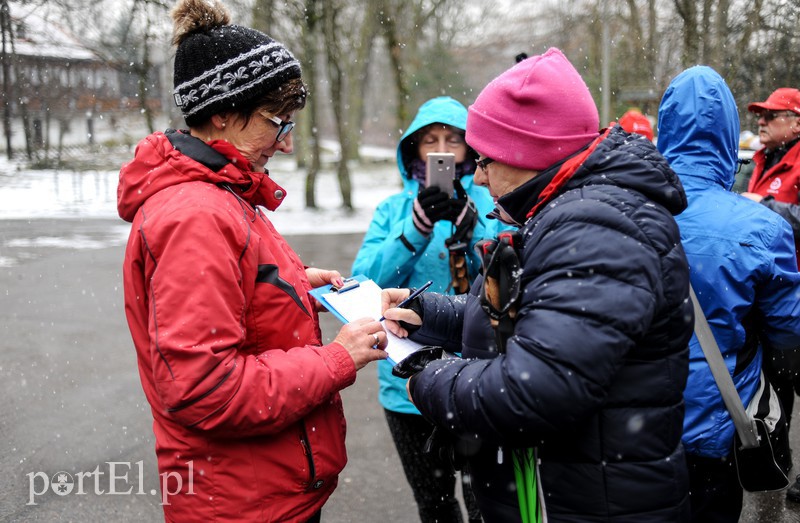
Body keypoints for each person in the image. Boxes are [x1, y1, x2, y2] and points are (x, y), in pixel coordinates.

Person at [381, 48, 693, 522]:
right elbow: (531, 315)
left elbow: (536, 389)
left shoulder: (595, 228)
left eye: (487, 159)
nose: (479, 176)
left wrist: (430, 379)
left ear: (530, 153)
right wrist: (435, 315)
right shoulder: (570, 213)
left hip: (596, 502)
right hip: (577, 487)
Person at [116, 0, 387, 520]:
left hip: (259, 491)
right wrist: (336, 359)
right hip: (239, 502)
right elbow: (205, 388)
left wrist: (295, 285)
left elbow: (232, 293)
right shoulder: (195, 213)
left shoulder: (222, 193)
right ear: (220, 114)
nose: (285, 144)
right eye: (275, 122)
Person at [351, 95, 510, 522]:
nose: (441, 149)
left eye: (452, 140)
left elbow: (503, 287)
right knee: (435, 505)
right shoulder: (393, 211)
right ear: (414, 149)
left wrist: (472, 229)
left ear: (469, 149)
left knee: (487, 505)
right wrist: (416, 228)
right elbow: (364, 280)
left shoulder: (493, 208)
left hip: (478, 380)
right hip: (406, 384)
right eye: (430, 140)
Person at [657, 65, 800, 522]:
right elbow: (787, 336)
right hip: (718, 430)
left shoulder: (622, 209)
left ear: (666, 129)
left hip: (637, 430)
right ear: (727, 134)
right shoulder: (762, 228)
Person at [740, 87, 800, 502]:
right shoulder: (761, 159)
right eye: (760, 115)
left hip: (797, 296)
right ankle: (779, 465)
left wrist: (765, 205)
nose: (761, 121)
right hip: (773, 296)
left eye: (771, 115)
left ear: (796, 122)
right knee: (777, 385)